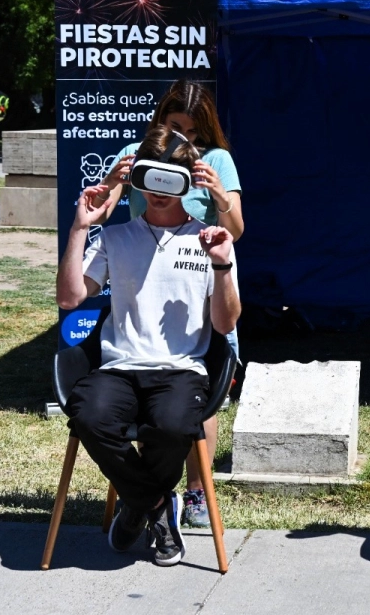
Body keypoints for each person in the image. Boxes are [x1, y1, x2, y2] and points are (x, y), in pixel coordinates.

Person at [55, 125, 241, 567]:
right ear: (136, 177)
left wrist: (221, 267)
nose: (157, 192)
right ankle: (157, 505)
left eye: (169, 180)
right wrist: (80, 227)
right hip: (119, 368)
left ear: (188, 181)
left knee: (174, 426)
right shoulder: (115, 237)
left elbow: (224, 323)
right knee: (89, 415)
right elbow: (69, 298)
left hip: (182, 369)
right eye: (149, 178)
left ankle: (137, 506)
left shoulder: (211, 240)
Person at [92, 79, 242, 529]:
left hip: (202, 284)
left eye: (194, 132)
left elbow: (236, 229)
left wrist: (218, 194)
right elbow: (104, 210)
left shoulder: (217, 160)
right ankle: (153, 497)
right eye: (177, 127)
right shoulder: (137, 153)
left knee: (198, 401)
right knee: (148, 405)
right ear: (161, 120)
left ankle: (196, 492)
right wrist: (112, 183)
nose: (186, 139)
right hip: (147, 287)